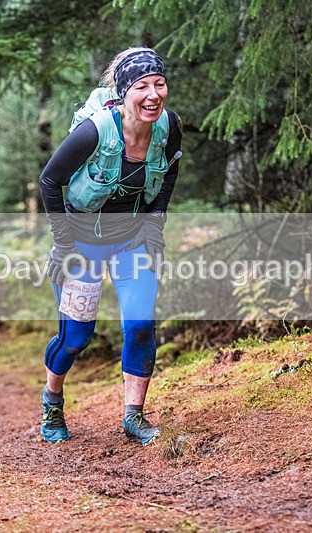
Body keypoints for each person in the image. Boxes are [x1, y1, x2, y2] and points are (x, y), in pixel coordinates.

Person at [38, 47, 182, 445]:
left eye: (159, 84)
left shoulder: (168, 127)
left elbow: (169, 172)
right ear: (123, 94)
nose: (153, 94)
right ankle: (52, 398)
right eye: (142, 86)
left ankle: (134, 417)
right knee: (76, 338)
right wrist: (63, 242)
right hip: (81, 245)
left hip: (131, 242)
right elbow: (50, 181)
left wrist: (155, 222)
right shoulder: (96, 131)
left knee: (139, 326)